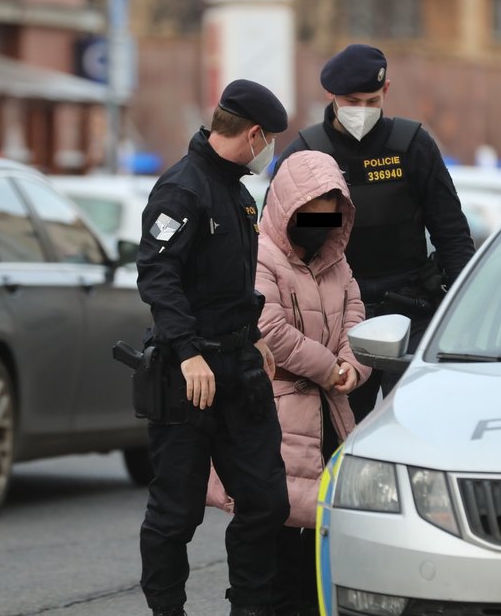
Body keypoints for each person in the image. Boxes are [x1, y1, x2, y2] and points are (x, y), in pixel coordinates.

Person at [136, 79, 291, 616]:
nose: (268, 148)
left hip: (238, 367)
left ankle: (249, 607)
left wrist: (252, 337)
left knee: (267, 501)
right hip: (189, 375)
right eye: (268, 138)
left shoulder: (236, 192)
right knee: (176, 513)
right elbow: (159, 275)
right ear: (252, 134)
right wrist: (186, 351)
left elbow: (227, 280)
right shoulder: (183, 189)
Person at [273, 43, 475, 422]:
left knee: (419, 425)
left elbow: (450, 231)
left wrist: (466, 305)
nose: (362, 111)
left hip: (412, 311)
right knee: (345, 433)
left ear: (386, 91)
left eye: (371, 100)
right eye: (352, 101)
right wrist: (334, 221)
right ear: (331, 95)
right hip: (340, 319)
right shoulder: (307, 153)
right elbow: (281, 240)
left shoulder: (412, 146)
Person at [208, 150, 370, 615]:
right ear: (287, 207)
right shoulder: (258, 256)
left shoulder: (338, 264)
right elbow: (270, 329)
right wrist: (329, 369)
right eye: (310, 213)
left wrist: (353, 368)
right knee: (272, 533)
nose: (320, 225)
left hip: (329, 419)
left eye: (330, 214)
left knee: (315, 547)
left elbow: (357, 324)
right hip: (272, 412)